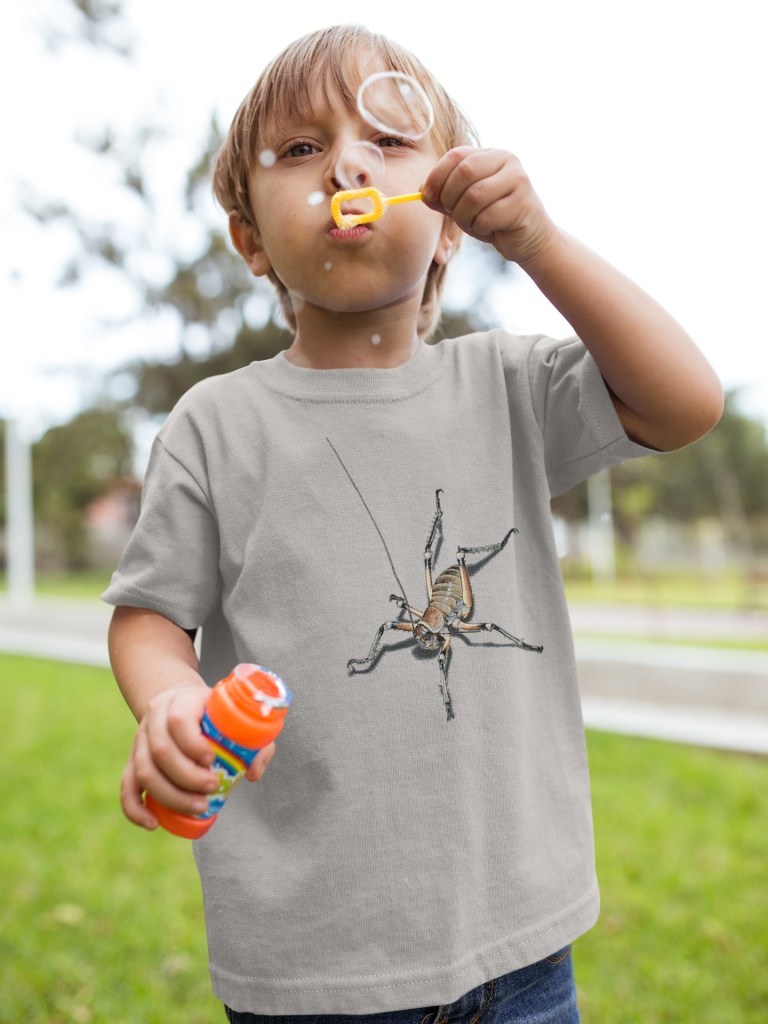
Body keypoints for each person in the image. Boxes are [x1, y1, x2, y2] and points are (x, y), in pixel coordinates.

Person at [103, 24, 723, 1024]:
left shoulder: (510, 385)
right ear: (251, 237)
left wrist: (542, 243)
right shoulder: (216, 425)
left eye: (388, 141)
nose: (347, 162)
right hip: (310, 968)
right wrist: (170, 699)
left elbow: (684, 402)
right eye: (301, 150)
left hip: (522, 948)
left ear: (446, 219)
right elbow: (148, 614)